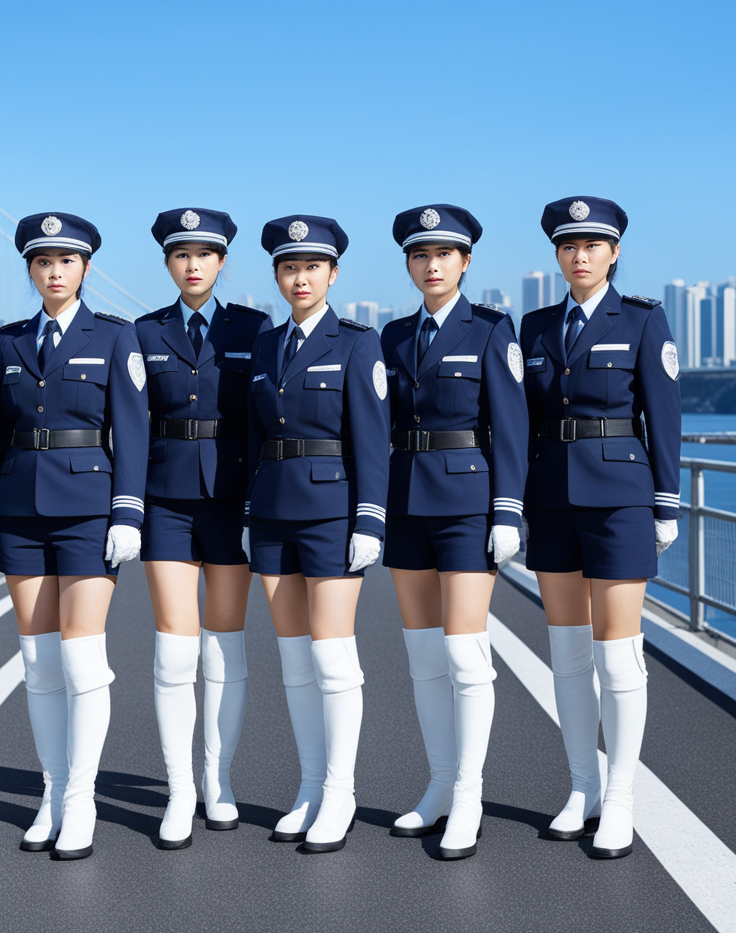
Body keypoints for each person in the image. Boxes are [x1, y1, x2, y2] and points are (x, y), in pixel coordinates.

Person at [0, 212, 148, 860]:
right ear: (30, 269)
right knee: (39, 666)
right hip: (20, 508)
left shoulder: (115, 337)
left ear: (85, 269)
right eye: (43, 262)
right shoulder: (8, 342)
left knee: (82, 660)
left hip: (87, 509)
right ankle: (50, 792)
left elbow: (132, 431)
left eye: (66, 261)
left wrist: (128, 513)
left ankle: (81, 798)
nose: (54, 271)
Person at [520, 196, 681, 859]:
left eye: (592, 245)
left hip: (620, 498)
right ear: (557, 255)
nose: (579, 255)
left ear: (613, 252)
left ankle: (620, 798)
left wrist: (666, 503)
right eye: (568, 245)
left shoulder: (642, 320)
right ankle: (581, 786)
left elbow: (664, 418)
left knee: (619, 655)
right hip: (552, 497)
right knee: (568, 655)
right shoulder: (532, 328)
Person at [380, 205, 528, 859]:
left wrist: (509, 510)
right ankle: (439, 785)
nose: (432, 265)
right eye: (420, 255)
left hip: (468, 500)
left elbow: (513, 428)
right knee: (422, 658)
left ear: (465, 262)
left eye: (444, 254)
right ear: (409, 264)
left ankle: (468, 794)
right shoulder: (389, 337)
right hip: (405, 502)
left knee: (467, 655)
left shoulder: (493, 330)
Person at [245, 214, 390, 853]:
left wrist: (369, 517)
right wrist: (251, 515)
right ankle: (308, 787)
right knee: (295, 662)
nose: (299, 278)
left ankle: (341, 791)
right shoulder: (265, 344)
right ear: (277, 275)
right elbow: (255, 441)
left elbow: (373, 438)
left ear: (332, 274)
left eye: (311, 267)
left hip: (333, 511)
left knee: (333, 657)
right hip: (273, 512)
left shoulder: (359, 343)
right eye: (288, 267)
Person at [135, 208, 271, 849]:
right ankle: (178, 789)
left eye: (204, 255)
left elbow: (269, 419)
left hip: (232, 498)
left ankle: (218, 780)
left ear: (222, 264)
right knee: (173, 649)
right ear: (168, 263)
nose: (192, 265)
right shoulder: (144, 330)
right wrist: (127, 509)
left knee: (224, 646)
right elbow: (131, 428)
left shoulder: (255, 327)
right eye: (180, 255)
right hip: (164, 498)